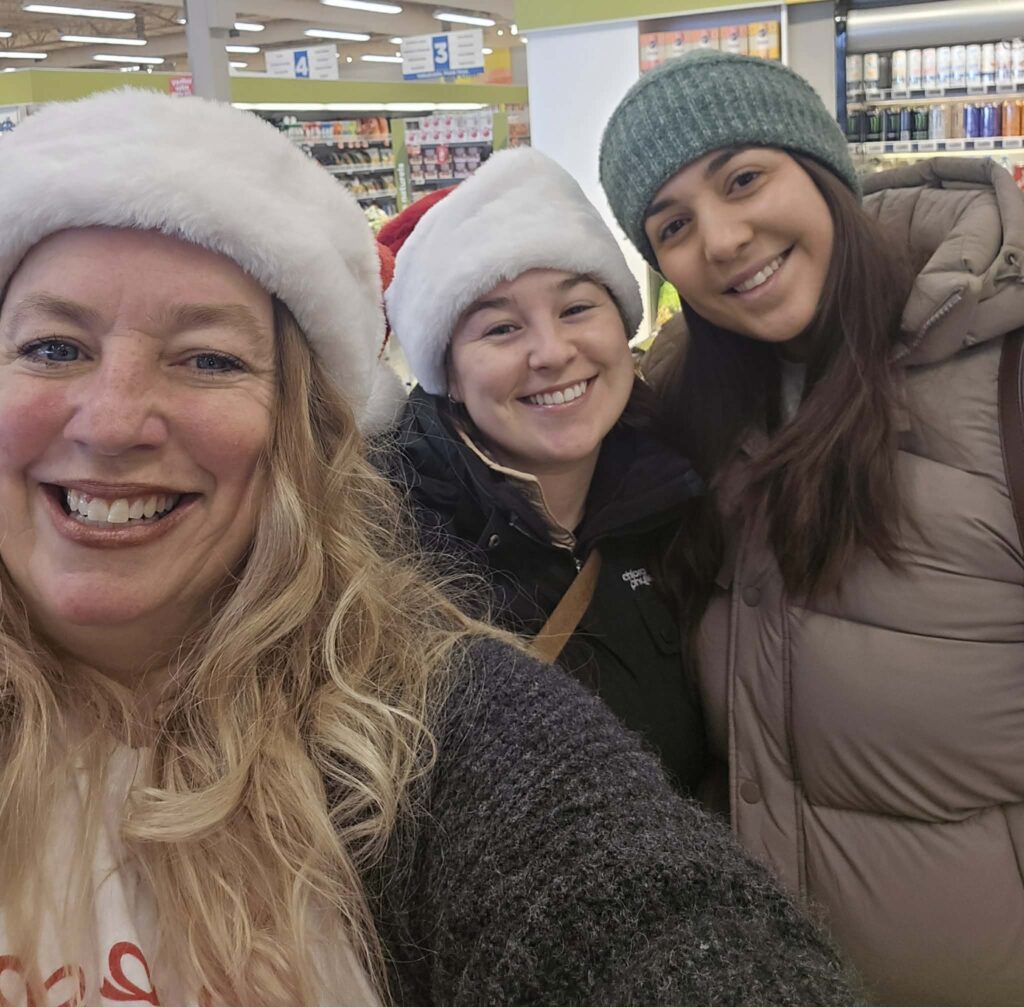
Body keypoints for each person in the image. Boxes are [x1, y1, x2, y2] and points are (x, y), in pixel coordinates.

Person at [0, 86, 864, 1007]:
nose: (114, 422)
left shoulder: (422, 695)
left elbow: (632, 900)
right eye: (53, 347)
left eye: (208, 358)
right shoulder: (413, 554)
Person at [599, 47, 1024, 1007]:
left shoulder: (1001, 375)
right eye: (673, 225)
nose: (720, 239)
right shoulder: (685, 403)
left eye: (743, 179)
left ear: (822, 169)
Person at [380, 147, 705, 793]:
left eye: (577, 309)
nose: (552, 353)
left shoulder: (681, 503)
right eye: (501, 329)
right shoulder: (380, 549)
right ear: (449, 374)